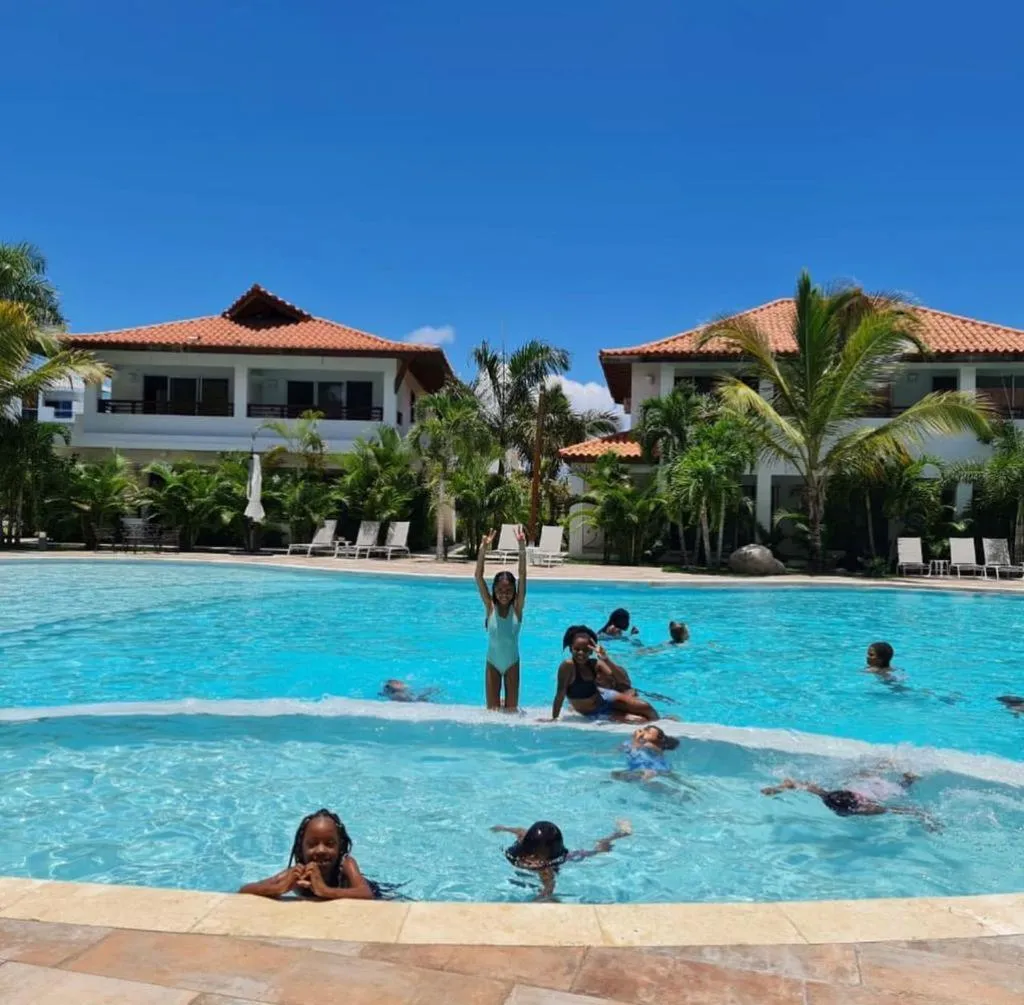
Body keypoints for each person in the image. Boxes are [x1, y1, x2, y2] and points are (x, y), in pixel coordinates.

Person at [240, 808, 379, 900]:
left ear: (340, 847)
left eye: (330, 844)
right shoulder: (296, 875)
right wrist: (279, 888)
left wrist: (325, 891)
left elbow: (366, 894)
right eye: (312, 844)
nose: (320, 850)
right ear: (301, 848)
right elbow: (245, 890)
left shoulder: (346, 865)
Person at [491, 819, 632, 900]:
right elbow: (521, 831)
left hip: (565, 856)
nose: (530, 859)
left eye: (535, 857)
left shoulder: (545, 869)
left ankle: (620, 834)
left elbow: (549, 888)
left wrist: (538, 900)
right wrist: (503, 828)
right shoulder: (524, 841)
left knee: (597, 850)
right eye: (530, 854)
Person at [550, 626, 661, 721]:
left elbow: (624, 681)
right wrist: (554, 719)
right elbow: (560, 694)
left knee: (646, 707)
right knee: (639, 720)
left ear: (591, 650)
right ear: (570, 649)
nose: (581, 653)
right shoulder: (568, 666)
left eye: (585, 650)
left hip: (605, 697)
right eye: (577, 649)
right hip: (594, 711)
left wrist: (605, 658)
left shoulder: (595, 664)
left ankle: (662, 726)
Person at [474, 526, 528, 712]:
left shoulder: (517, 608)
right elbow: (478, 577)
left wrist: (521, 547)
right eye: (499, 590)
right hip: (493, 663)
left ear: (514, 592)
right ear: (494, 591)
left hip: (512, 663)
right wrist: (483, 549)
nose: (504, 594)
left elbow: (522, 575)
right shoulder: (490, 607)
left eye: (508, 591)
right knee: (492, 711)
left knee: (512, 711)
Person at [761, 774, 938, 829]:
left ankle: (909, 778)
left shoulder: (865, 808)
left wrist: (924, 816)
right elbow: (800, 784)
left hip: (877, 790)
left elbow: (896, 809)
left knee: (901, 788)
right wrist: (777, 788)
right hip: (862, 787)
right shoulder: (830, 796)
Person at [613, 725, 680, 782]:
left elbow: (636, 749)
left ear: (657, 740)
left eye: (648, 732)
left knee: (647, 775)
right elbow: (616, 752)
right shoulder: (628, 743)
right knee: (615, 775)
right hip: (638, 768)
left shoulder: (649, 745)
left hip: (655, 768)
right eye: (645, 729)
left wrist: (636, 738)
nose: (643, 732)